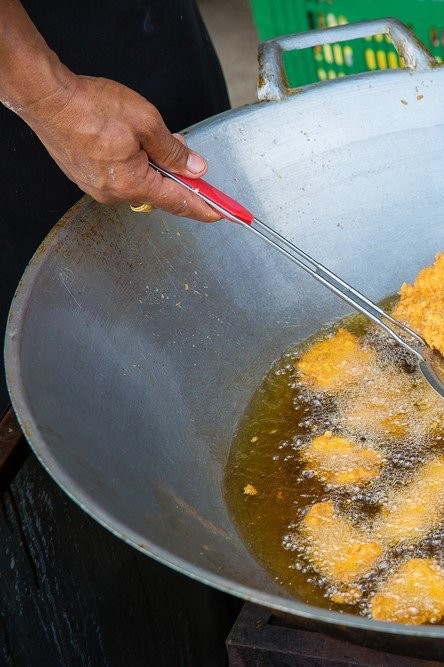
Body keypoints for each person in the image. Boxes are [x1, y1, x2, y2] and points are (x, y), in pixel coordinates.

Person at [0, 1, 239, 661]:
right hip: (21, 91)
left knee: (216, 304)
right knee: (72, 397)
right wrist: (47, 94)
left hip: (135, 30)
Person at [0, 0, 229, 399]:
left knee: (225, 279)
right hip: (22, 75)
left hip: (145, 24)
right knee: (70, 350)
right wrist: (51, 98)